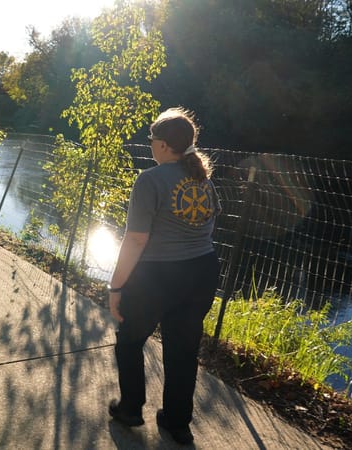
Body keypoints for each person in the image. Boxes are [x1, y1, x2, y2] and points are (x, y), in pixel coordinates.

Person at [106, 107, 221, 445]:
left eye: (152, 140)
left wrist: (117, 285)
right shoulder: (204, 180)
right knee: (183, 350)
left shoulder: (150, 180)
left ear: (164, 145)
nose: (151, 146)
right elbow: (208, 227)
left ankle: (130, 409)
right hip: (201, 271)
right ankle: (177, 421)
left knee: (129, 341)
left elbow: (136, 239)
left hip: (157, 276)